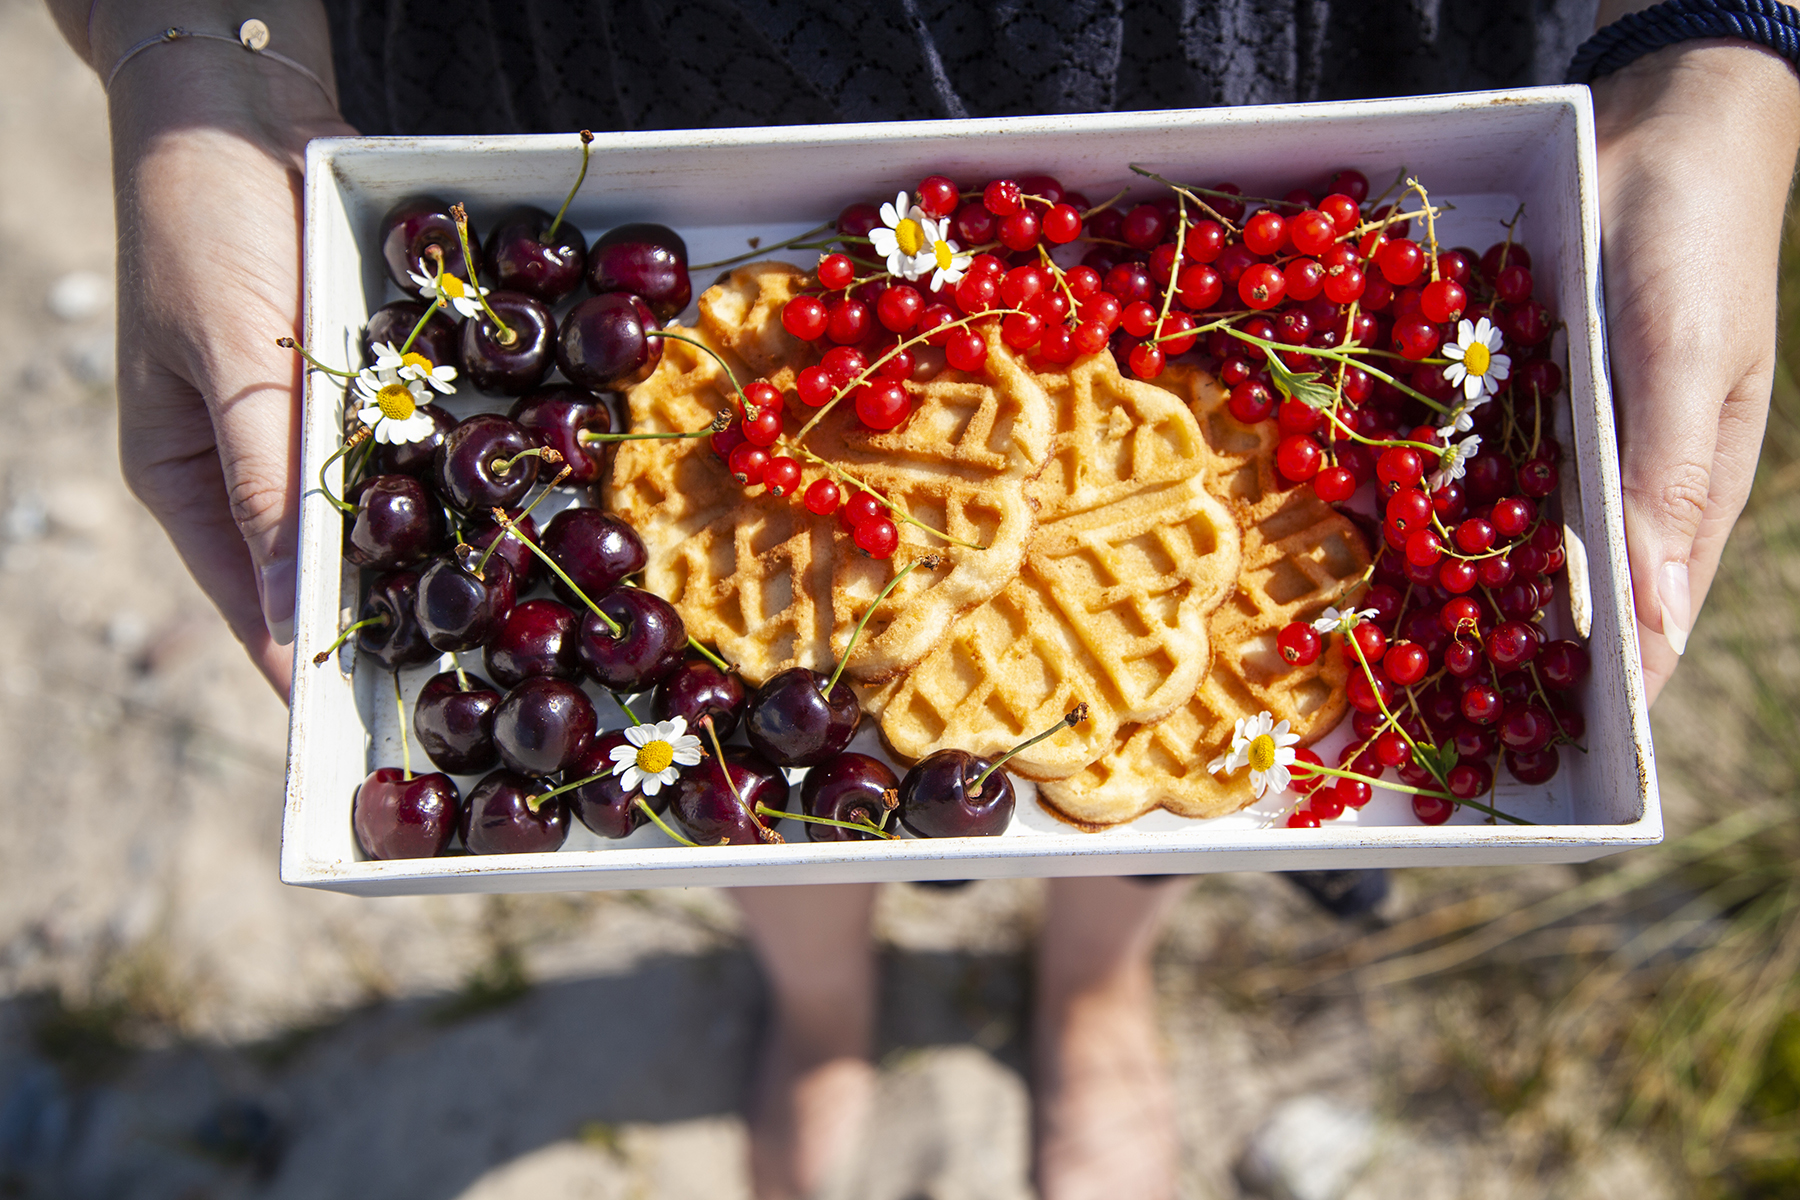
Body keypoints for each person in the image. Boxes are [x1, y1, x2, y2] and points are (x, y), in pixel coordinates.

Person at [49, 2, 1800, 1196]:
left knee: (1127, 781)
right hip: (624, 52)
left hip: (1237, 46)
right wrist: (177, 45)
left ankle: (1093, 981)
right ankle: (821, 1000)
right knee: (775, 791)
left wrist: (1730, 57)